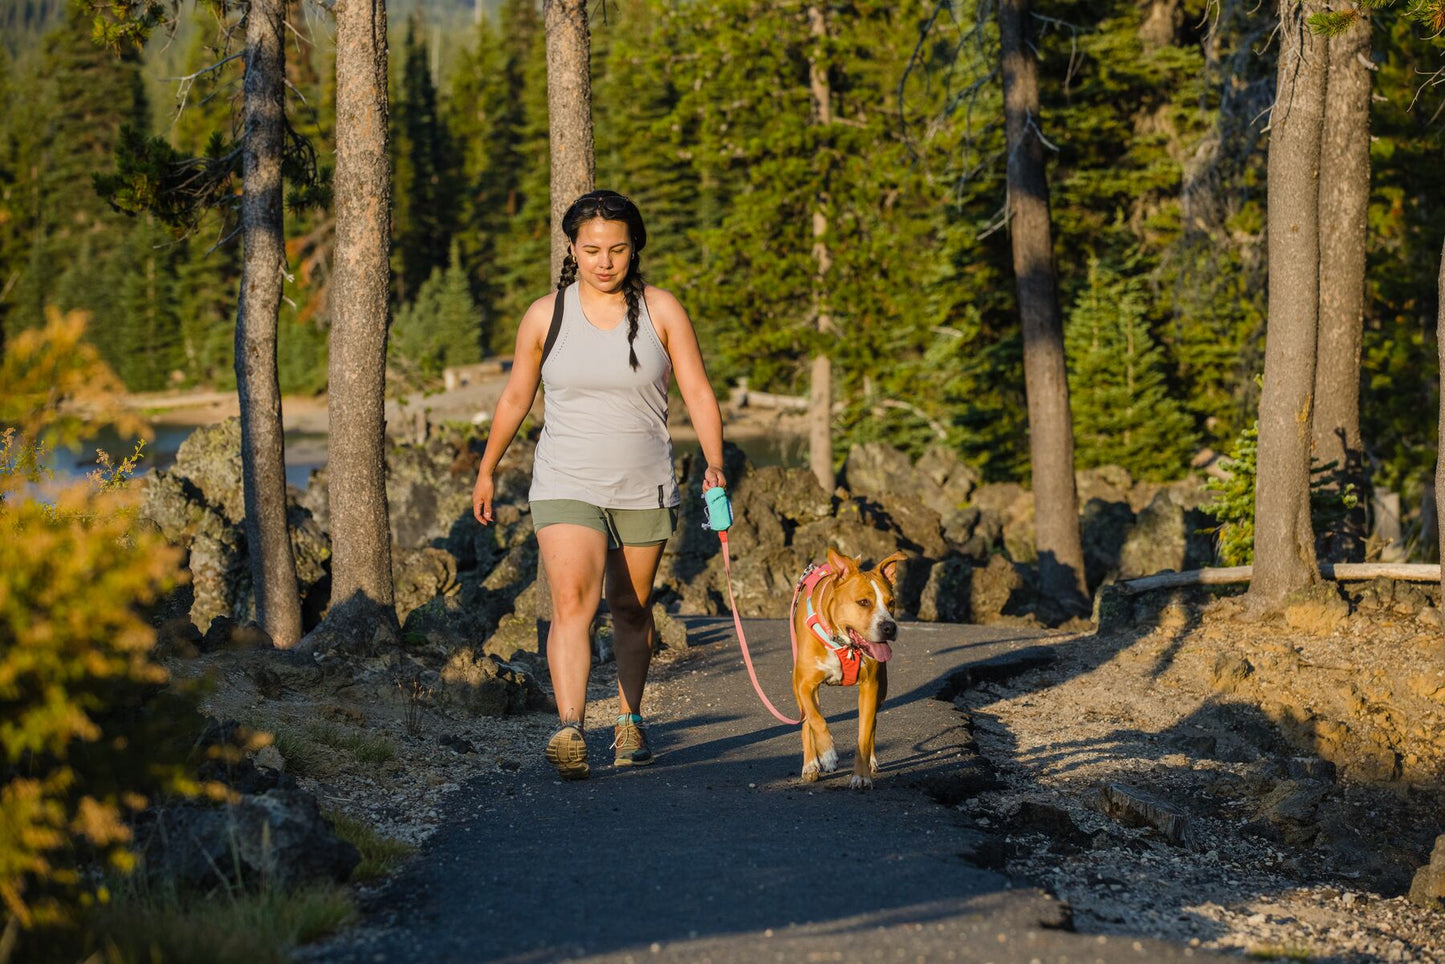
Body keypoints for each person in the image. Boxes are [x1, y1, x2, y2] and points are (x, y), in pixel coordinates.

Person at [471, 190, 727, 781]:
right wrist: (487, 468)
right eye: (592, 250)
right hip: (565, 481)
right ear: (572, 249)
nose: (605, 261)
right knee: (571, 605)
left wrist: (713, 462)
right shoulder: (546, 315)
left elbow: (699, 390)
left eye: (617, 249)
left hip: (644, 485)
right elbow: (516, 396)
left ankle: (631, 721)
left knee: (631, 610)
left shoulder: (663, 310)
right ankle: (570, 728)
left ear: (634, 248)